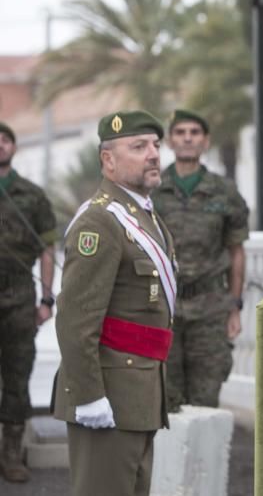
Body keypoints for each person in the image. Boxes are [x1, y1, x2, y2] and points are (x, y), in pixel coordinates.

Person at [53, 111, 175, 496]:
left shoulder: (146, 217)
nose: (153, 154)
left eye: (155, 145)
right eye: (138, 147)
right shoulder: (101, 222)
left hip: (138, 393)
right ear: (108, 159)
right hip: (108, 396)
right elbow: (75, 321)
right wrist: (89, 397)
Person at [152, 109, 249, 411]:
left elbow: (236, 251)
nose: (188, 138)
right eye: (180, 132)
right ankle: (168, 461)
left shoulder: (225, 192)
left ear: (205, 142)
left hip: (209, 308)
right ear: (170, 141)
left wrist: (234, 306)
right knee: (164, 398)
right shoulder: (152, 190)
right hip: (162, 307)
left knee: (206, 398)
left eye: (195, 132)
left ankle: (204, 461)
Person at [0, 122, 56, 483]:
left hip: (18, 297)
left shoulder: (32, 196)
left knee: (17, 375)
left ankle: (10, 453)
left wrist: (46, 299)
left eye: (5, 140)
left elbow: (48, 249)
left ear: (14, 148)